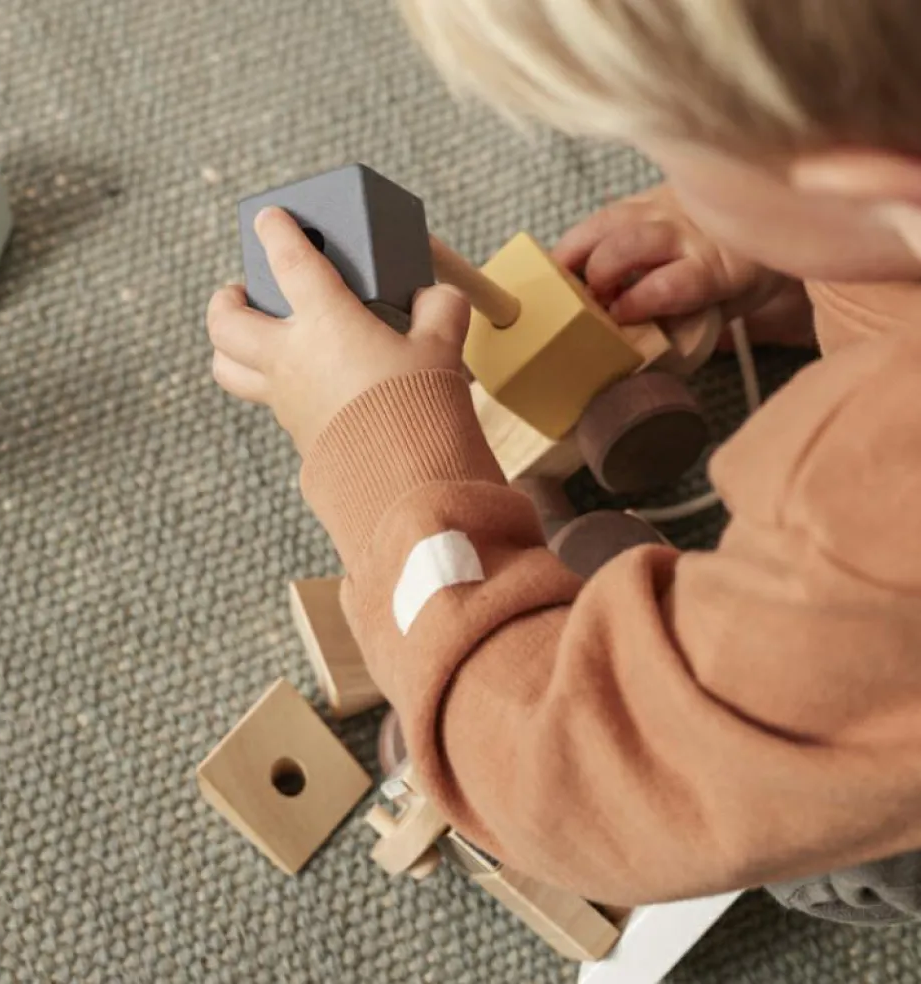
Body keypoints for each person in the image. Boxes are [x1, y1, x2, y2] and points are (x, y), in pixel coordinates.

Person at [205, 0, 921, 925]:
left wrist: (387, 467)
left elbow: (577, 776)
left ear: (861, 182)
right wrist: (827, 248)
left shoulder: (876, 528)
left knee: (803, 820)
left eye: (678, 154)